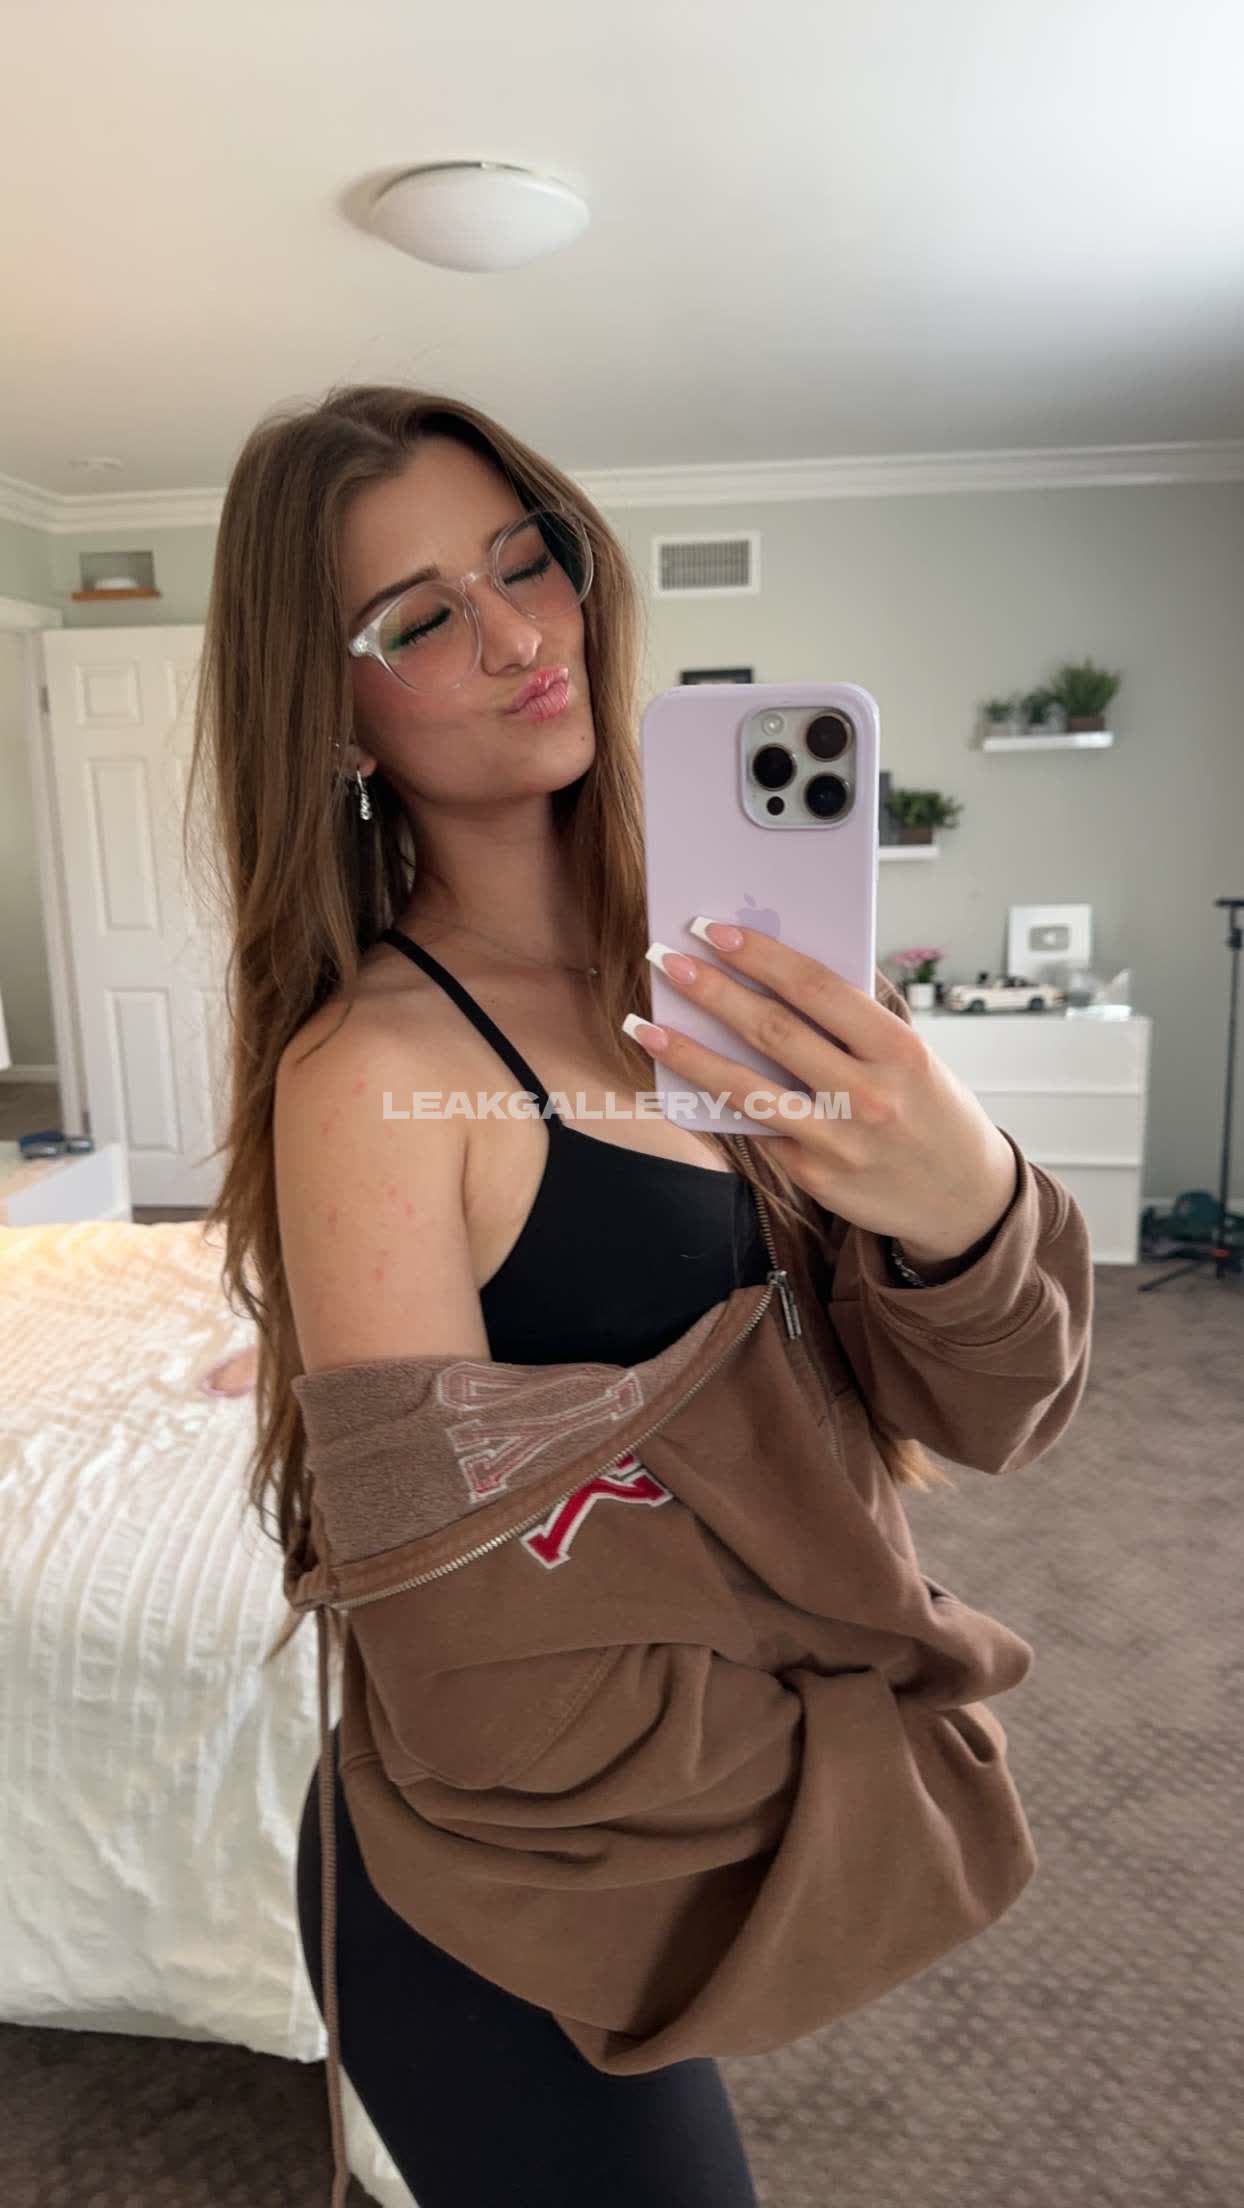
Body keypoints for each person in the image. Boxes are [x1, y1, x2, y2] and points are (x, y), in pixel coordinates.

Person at [188, 383, 1032, 2207]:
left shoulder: (748, 993)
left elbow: (992, 1411)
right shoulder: (375, 1073)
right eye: (418, 618)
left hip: (661, 1845)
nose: (518, 637)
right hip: (487, 1905)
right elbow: (483, 1694)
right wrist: (856, 1718)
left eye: (527, 560)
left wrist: (962, 1202)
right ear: (329, 712)